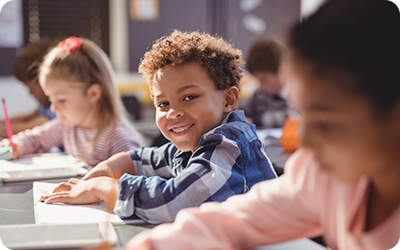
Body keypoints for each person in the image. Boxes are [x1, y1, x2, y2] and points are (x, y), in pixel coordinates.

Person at [125, 0, 400, 249]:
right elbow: (243, 218)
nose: (306, 143)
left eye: (326, 122)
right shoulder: (322, 174)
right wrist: (154, 244)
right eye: (305, 116)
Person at [39, 30, 277, 224]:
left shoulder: (228, 145)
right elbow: (144, 159)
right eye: (163, 103)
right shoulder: (193, 143)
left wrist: (104, 187)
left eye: (189, 97)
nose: (173, 112)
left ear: (228, 100)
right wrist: (107, 168)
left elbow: (173, 203)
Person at [0, 36, 141, 167]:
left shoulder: (118, 140)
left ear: (93, 94)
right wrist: (16, 145)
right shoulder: (67, 127)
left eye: (61, 100)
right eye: (51, 99)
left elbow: (134, 183)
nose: (54, 108)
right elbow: (35, 139)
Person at [0, 38, 56, 138]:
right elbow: (28, 117)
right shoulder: (45, 105)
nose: (30, 93)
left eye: (31, 89)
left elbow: (31, 126)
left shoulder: (57, 106)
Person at [239, 38, 289, 128]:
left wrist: (255, 121)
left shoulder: (293, 95)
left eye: (264, 80)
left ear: (281, 70)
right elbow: (244, 110)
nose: (261, 86)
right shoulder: (260, 93)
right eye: (257, 80)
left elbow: (290, 118)